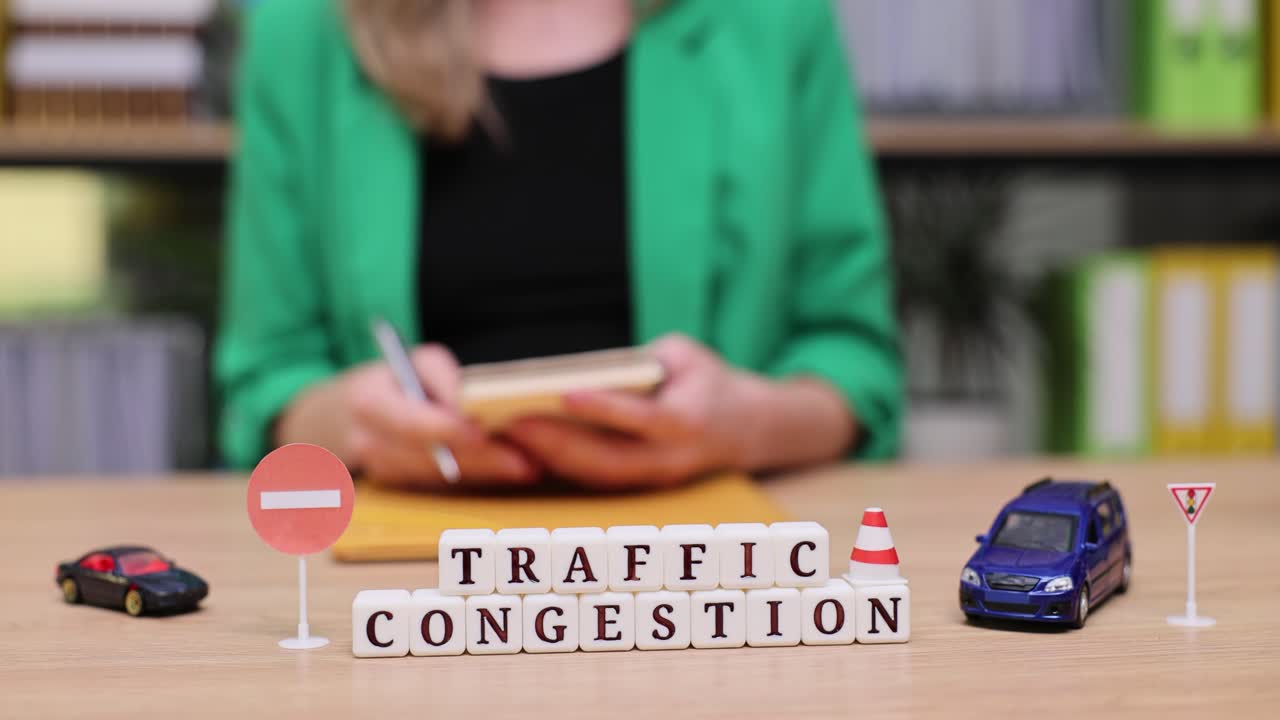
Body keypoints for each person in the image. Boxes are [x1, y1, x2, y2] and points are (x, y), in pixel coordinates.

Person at [215, 0, 901, 490]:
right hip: (402, 584)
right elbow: (267, 386)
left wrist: (746, 426)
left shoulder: (775, 21)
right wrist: (357, 423)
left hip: (697, 578)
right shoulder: (304, 33)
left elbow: (853, 364)